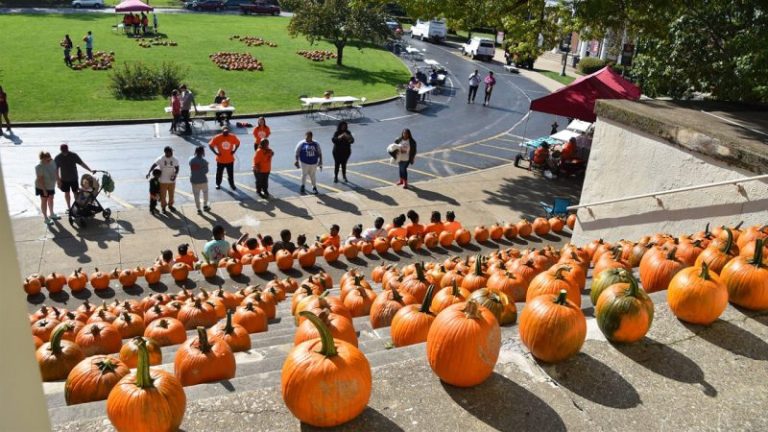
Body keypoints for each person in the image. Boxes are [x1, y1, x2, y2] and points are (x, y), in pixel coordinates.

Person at [54, 144, 93, 211]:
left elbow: (82, 163)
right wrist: (58, 180)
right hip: (64, 179)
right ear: (61, 150)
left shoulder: (73, 155)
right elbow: (56, 170)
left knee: (76, 192)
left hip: (74, 178)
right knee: (67, 193)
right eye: (63, 151)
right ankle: (69, 208)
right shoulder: (58, 157)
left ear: (68, 149)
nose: (65, 153)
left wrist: (90, 170)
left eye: (66, 151)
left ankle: (78, 206)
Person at [146, 146, 179, 214]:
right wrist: (149, 172)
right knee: (163, 196)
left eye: (172, 151)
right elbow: (154, 165)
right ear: (166, 152)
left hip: (172, 181)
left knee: (171, 195)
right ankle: (163, 207)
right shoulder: (161, 159)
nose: (172, 153)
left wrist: (175, 174)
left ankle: (170, 205)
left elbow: (177, 167)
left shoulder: (174, 159)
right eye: (170, 152)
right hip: (163, 181)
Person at [208, 126, 240, 190]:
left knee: (230, 174)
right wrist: (216, 153)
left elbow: (238, 143)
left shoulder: (232, 136)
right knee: (219, 173)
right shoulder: (217, 137)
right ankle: (218, 184)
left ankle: (232, 184)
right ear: (222, 131)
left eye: (227, 132)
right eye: (224, 132)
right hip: (220, 160)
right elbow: (210, 145)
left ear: (228, 131)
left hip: (230, 159)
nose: (226, 133)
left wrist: (234, 150)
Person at [35, 152, 59, 225]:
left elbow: (55, 171)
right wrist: (44, 190)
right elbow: (40, 179)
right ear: (43, 159)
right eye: (47, 160)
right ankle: (45, 218)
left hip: (51, 185)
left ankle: (52, 214)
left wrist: (58, 180)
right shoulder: (39, 167)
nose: (49, 161)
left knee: (51, 199)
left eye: (50, 159)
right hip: (42, 186)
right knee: (44, 201)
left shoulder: (51, 162)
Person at [189, 146, 211, 214]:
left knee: (196, 195)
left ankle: (198, 208)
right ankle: (205, 205)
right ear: (202, 152)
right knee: (205, 193)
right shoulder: (204, 161)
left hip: (194, 180)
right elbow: (206, 171)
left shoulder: (191, 160)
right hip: (203, 180)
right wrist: (206, 165)